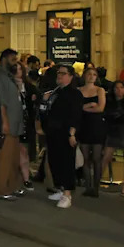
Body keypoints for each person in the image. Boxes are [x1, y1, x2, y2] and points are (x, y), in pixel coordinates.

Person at [44, 65, 82, 209]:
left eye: (63, 73)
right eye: (58, 73)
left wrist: (72, 133)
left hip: (65, 132)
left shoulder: (74, 93)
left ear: (71, 76)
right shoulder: (56, 91)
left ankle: (67, 194)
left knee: (66, 162)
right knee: (55, 161)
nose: (59, 75)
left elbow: (76, 115)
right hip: (53, 131)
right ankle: (61, 189)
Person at [0, 49, 23, 201]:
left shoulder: (9, 77)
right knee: (3, 158)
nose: (15, 62)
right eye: (12, 59)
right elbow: (0, 103)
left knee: (13, 159)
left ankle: (11, 187)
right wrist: (4, 122)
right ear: (3, 59)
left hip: (15, 125)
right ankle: (0, 188)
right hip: (7, 124)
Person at [77, 67, 107, 197]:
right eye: (89, 74)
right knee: (85, 158)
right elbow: (77, 108)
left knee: (96, 158)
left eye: (94, 74)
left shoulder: (99, 90)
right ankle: (88, 186)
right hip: (83, 125)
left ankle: (96, 187)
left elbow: (100, 108)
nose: (91, 76)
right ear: (84, 76)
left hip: (96, 125)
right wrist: (89, 106)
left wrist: (84, 108)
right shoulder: (78, 91)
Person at [11, 63, 39, 191]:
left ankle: (26, 178)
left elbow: (38, 97)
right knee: (15, 152)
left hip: (25, 123)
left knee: (24, 151)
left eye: (19, 69)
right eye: (15, 70)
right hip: (12, 122)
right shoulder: (8, 85)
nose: (17, 72)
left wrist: (34, 99)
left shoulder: (28, 86)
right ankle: (20, 178)